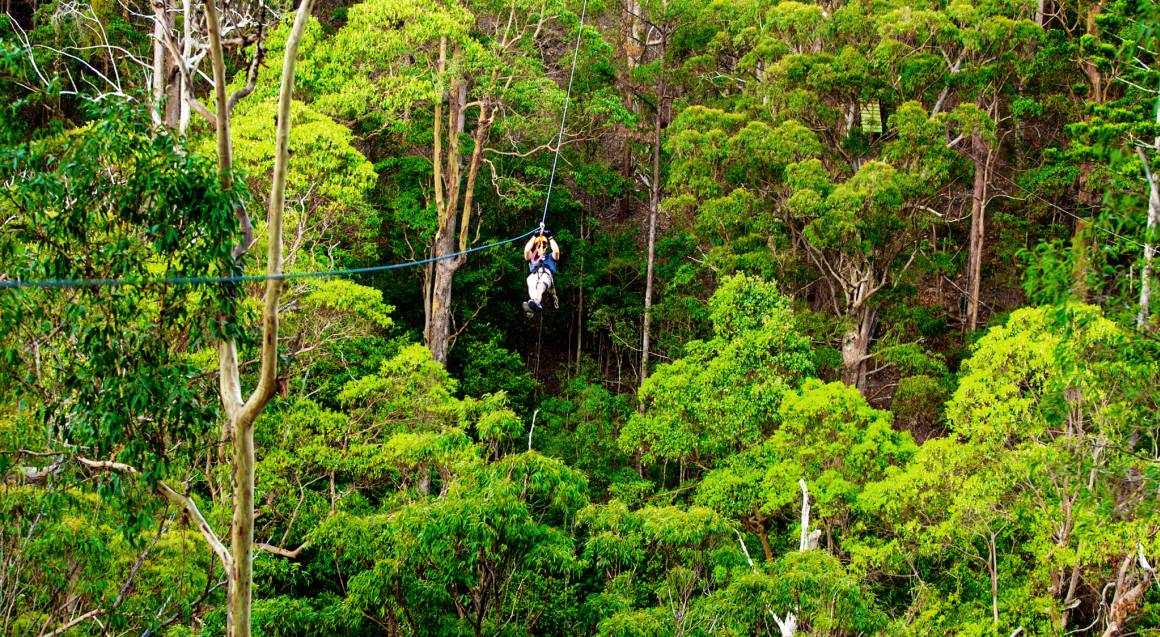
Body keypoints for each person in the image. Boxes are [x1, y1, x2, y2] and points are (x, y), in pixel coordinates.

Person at [522, 228, 560, 317]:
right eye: (539, 245)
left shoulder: (550, 257)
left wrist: (550, 237)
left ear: (547, 246)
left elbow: (557, 251)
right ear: (536, 246)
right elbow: (527, 251)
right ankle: (533, 304)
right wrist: (534, 237)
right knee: (531, 283)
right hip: (534, 274)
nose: (541, 247)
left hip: (546, 275)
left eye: (544, 245)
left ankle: (535, 303)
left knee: (539, 286)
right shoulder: (533, 257)